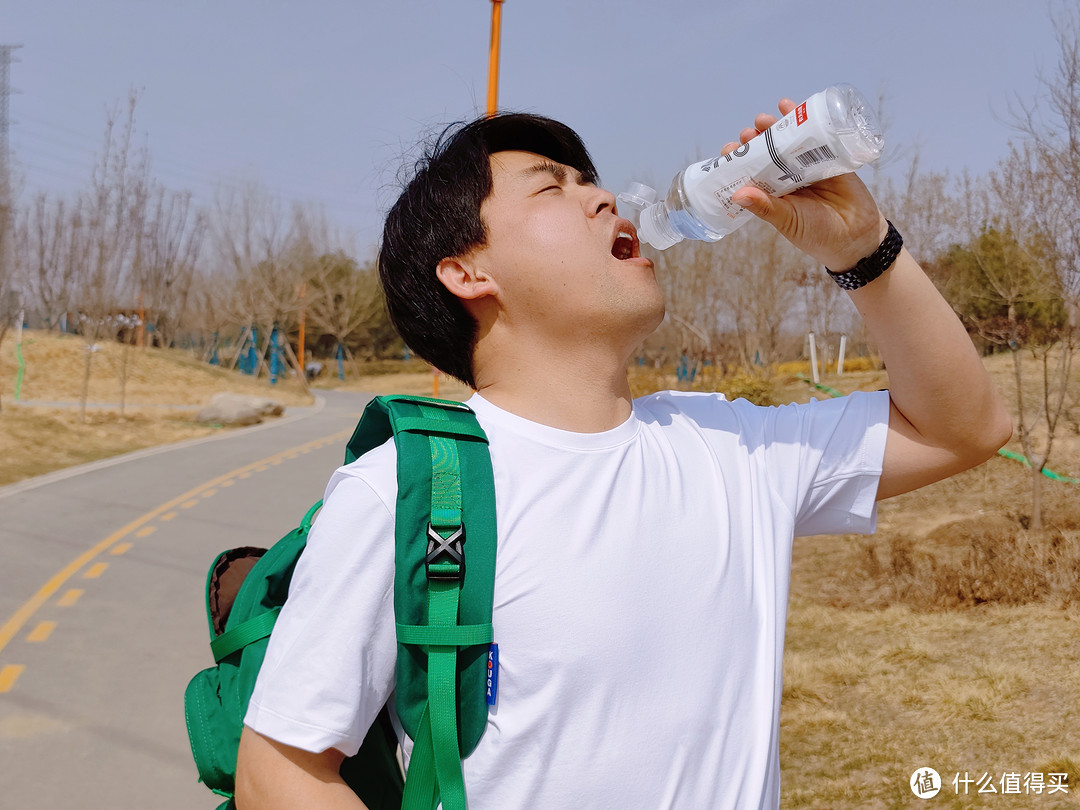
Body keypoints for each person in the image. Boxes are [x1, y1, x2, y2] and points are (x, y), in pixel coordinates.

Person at [235, 102, 1012, 809]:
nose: (602, 197)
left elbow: (961, 428)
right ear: (468, 272)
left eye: (592, 181)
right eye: (551, 189)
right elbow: (280, 770)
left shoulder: (731, 447)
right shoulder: (408, 489)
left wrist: (863, 249)